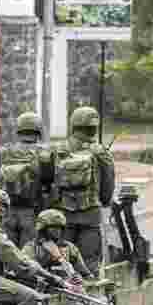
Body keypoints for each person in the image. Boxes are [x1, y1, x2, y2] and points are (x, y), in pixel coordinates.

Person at [49, 106, 116, 276]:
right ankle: (89, 296)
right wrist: (105, 200)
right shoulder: (100, 152)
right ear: (94, 127)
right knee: (89, 263)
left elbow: (47, 179)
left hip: (63, 215)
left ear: (73, 124)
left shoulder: (58, 150)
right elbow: (108, 180)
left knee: (61, 262)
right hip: (90, 215)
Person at [0, 111, 54, 248]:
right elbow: (50, 181)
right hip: (32, 211)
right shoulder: (44, 152)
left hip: (7, 211)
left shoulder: (6, 151)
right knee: (28, 256)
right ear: (38, 130)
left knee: (9, 256)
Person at [23, 209, 93, 286]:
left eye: (59, 228)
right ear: (43, 229)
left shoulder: (69, 247)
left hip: (69, 288)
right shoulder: (31, 248)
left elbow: (86, 274)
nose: (57, 231)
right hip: (43, 288)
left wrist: (80, 278)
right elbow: (27, 271)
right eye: (53, 227)